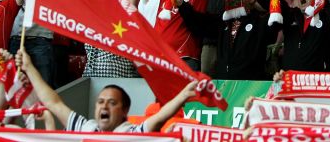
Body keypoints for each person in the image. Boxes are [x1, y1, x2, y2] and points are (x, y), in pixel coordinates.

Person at [16, 47, 197, 133]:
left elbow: (160, 117)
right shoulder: (86, 127)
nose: (104, 107)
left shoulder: (132, 134)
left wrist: (183, 96)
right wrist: (29, 67)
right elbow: (53, 103)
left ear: (125, 111)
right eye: (101, 102)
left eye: (112, 103)